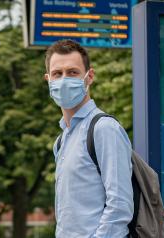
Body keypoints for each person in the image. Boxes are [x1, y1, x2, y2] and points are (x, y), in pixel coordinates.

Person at [44, 39, 134, 238]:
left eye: (73, 72)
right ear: (48, 79)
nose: (64, 79)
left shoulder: (104, 129)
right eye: (57, 74)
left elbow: (119, 206)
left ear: (89, 76)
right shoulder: (61, 142)